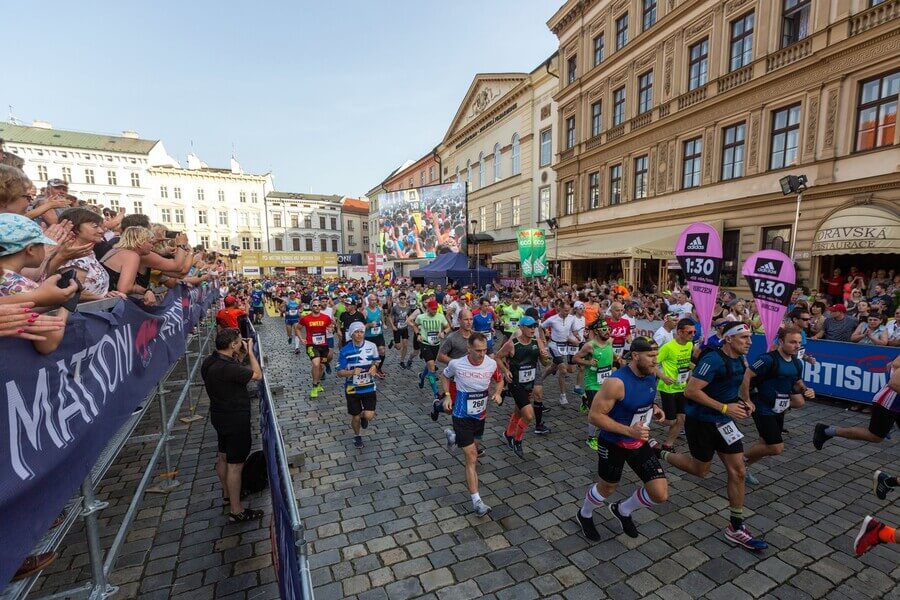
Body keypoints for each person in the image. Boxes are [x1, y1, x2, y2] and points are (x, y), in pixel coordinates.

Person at [659, 321, 768, 550]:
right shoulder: (713, 360)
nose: (749, 342)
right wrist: (725, 408)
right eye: (744, 338)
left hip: (724, 423)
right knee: (701, 471)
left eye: (750, 337)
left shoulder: (740, 358)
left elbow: (736, 385)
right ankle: (660, 452)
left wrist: (744, 402)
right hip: (702, 422)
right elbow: (691, 391)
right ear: (728, 339)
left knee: (738, 471)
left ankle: (735, 526)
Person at [576, 337, 667, 542]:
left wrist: (655, 408)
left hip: (637, 441)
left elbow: (643, 401)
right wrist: (628, 431)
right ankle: (585, 513)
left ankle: (623, 510)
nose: (656, 361)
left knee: (659, 494)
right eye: (651, 356)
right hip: (613, 442)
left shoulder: (652, 374)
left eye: (657, 356)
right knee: (607, 488)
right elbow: (595, 416)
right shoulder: (616, 382)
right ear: (635, 356)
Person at [200, 328, 264, 523]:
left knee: (223, 457)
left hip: (219, 415)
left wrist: (241, 353)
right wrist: (251, 352)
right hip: (235, 419)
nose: (241, 344)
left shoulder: (210, 361)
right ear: (232, 345)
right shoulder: (226, 368)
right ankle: (237, 511)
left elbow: (236, 372)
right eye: (238, 342)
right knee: (235, 465)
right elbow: (256, 375)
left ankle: (228, 495)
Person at [440, 333, 503, 516]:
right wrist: (447, 396)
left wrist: (498, 393)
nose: (482, 354)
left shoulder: (491, 364)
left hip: (480, 416)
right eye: (477, 351)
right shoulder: (457, 364)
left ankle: (453, 437)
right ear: (469, 349)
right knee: (472, 456)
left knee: (474, 447)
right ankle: (476, 501)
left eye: (484, 350)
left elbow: (499, 380)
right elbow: (444, 376)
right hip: (461, 415)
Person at [741, 327, 814, 486]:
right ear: (781, 342)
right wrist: (747, 400)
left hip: (779, 408)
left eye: (799, 343)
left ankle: (743, 469)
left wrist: (806, 389)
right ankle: (739, 462)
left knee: (764, 443)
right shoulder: (767, 359)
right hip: (762, 406)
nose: (796, 346)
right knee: (776, 447)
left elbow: (796, 382)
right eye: (792, 342)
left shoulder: (796, 362)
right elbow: (746, 376)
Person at [814, 355, 900, 450]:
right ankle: (826, 431)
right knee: (874, 436)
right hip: (889, 403)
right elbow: (894, 383)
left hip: (894, 403)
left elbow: (889, 365)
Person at [495, 315, 548, 457]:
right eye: (530, 326)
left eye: (534, 326)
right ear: (521, 328)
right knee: (528, 415)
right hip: (516, 383)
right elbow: (497, 357)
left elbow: (545, 363)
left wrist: (544, 355)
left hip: (528, 383)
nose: (533, 329)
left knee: (519, 411)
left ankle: (508, 433)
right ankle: (517, 440)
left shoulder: (537, 342)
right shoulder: (512, 344)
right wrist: (505, 371)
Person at [336, 321, 383, 449]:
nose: (359, 334)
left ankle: (363, 417)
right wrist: (351, 372)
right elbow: (339, 372)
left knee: (369, 415)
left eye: (361, 332)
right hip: (352, 389)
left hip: (368, 386)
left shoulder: (371, 346)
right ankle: (357, 436)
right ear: (351, 334)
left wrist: (374, 367)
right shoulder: (345, 350)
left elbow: (377, 360)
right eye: (356, 332)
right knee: (355, 416)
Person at [573, 319, 617, 450]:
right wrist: (588, 363)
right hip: (592, 383)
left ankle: (585, 399)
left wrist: (617, 360)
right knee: (596, 411)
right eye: (604, 329)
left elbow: (611, 355)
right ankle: (591, 438)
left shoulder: (610, 342)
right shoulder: (589, 346)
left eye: (609, 329)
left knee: (609, 408)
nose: (607, 331)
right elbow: (575, 358)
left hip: (606, 381)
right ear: (597, 331)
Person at [655, 318, 697, 451]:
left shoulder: (690, 345)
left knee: (682, 418)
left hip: (682, 387)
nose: (692, 335)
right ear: (679, 332)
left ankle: (668, 444)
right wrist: (663, 377)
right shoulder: (668, 347)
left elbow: (686, 364)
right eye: (689, 332)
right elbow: (652, 363)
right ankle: (651, 412)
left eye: (694, 332)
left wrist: (690, 369)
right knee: (671, 421)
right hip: (668, 388)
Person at [410, 298, 450, 403]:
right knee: (432, 368)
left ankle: (422, 376)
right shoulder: (421, 317)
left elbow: (448, 327)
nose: (434, 311)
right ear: (428, 308)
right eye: (432, 309)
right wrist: (418, 334)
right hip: (425, 344)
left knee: (430, 365)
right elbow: (414, 325)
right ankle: (436, 393)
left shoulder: (440, 317)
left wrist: (444, 333)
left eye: (436, 309)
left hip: (436, 344)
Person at [542, 301, 578, 408]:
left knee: (569, 369)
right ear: (560, 309)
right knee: (563, 369)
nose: (567, 312)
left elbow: (574, 330)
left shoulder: (572, 318)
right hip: (554, 345)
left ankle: (542, 377)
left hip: (566, 345)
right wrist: (544, 337)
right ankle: (563, 396)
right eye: (565, 310)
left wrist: (578, 337)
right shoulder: (552, 319)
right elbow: (541, 326)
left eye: (569, 310)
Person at [298, 299, 333, 398]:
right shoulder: (306, 318)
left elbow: (330, 327)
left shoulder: (326, 318)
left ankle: (318, 383)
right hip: (311, 345)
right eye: (314, 305)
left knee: (321, 366)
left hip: (323, 346)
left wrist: (331, 329)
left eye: (318, 305)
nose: (317, 307)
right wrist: (301, 338)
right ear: (311, 307)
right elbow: (297, 328)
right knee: (316, 364)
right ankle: (314, 386)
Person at [387, 291, 413, 368]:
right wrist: (392, 326)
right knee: (398, 347)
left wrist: (410, 322)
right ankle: (393, 342)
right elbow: (389, 316)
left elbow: (410, 316)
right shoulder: (395, 307)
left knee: (405, 345)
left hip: (405, 328)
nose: (403, 300)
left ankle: (402, 361)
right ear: (399, 299)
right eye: (401, 299)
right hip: (397, 328)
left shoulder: (408, 307)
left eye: (404, 298)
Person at [363, 293, 387, 372]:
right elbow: (362, 326)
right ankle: (368, 369)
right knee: (369, 354)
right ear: (368, 301)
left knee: (382, 351)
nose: (374, 302)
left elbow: (381, 317)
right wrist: (369, 325)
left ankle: (378, 368)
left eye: (375, 300)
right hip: (368, 336)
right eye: (372, 300)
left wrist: (383, 324)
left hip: (378, 334)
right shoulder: (365, 311)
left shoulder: (379, 309)